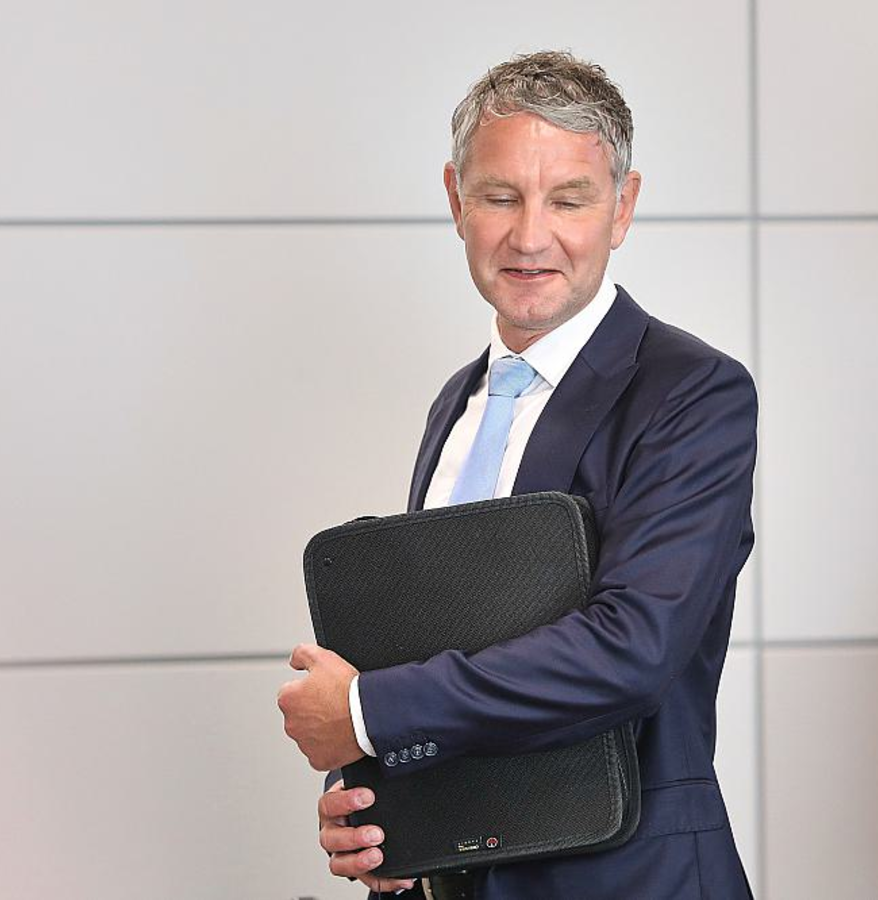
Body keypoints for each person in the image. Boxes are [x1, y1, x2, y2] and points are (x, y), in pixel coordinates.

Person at [278, 50, 756, 899]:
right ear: (457, 201)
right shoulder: (456, 405)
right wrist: (381, 812)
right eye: (501, 197)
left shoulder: (692, 393)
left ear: (622, 207)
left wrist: (365, 714)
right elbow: (448, 652)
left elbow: (632, 647)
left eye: (568, 199)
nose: (531, 236)